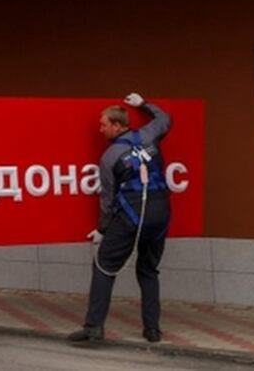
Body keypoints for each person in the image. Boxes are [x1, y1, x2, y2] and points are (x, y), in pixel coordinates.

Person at [69, 92, 172, 344]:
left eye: (104, 124)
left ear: (117, 125)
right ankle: (152, 330)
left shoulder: (110, 157)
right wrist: (144, 104)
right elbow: (165, 118)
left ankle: (93, 328)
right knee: (148, 270)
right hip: (161, 215)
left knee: (104, 265)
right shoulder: (149, 135)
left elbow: (108, 198)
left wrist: (102, 230)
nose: (100, 128)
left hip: (132, 217)